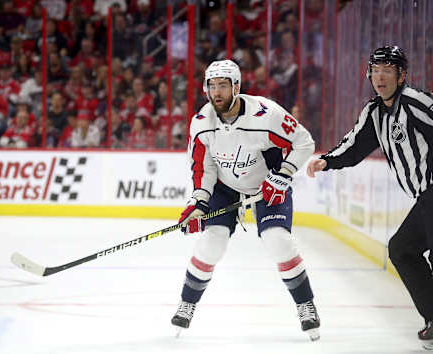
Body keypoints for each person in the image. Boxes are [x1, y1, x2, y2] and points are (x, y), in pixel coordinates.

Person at [172, 59, 320, 341]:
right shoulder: (201, 123)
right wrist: (198, 203)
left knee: (278, 240)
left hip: (268, 184)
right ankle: (187, 302)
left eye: (223, 86)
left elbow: (304, 143)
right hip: (225, 189)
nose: (216, 92)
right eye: (211, 86)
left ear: (236, 87)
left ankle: (305, 305)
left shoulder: (266, 114)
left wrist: (284, 174)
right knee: (211, 243)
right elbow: (204, 167)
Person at [306, 46, 433, 350]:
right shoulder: (375, 112)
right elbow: (355, 144)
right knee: (403, 250)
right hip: (425, 196)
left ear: (402, 75)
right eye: (375, 71)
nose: (380, 77)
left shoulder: (416, 101)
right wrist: (328, 160)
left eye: (388, 70)